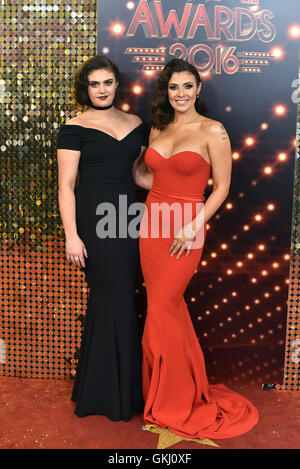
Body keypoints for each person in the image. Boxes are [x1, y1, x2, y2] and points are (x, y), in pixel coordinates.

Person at [132, 58, 259, 439]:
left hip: (187, 228)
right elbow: (147, 176)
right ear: (165, 91)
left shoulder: (213, 130)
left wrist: (192, 226)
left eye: (188, 86)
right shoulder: (159, 126)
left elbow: (221, 187)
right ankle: (174, 391)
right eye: (174, 87)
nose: (181, 94)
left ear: (198, 89)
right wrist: (131, 167)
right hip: (153, 224)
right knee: (165, 307)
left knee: (162, 306)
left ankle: (172, 401)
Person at [56, 55, 148, 420]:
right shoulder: (74, 127)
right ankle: (112, 396)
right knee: (111, 295)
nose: (102, 89)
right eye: (94, 84)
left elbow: (141, 176)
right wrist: (71, 236)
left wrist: (182, 193)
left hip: (129, 218)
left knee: (124, 294)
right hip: (94, 221)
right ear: (86, 88)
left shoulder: (137, 124)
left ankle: (108, 391)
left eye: (107, 82)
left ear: (116, 84)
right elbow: (65, 186)